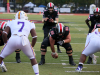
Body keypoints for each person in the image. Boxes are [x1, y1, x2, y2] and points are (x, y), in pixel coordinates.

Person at [0, 11, 39, 75]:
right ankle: (37, 74)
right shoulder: (30, 23)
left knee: (1, 57)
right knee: (32, 58)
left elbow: (4, 33)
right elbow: (34, 36)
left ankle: (2, 64)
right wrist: (32, 47)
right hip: (24, 39)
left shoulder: (11, 21)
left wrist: (5, 44)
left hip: (13, 38)